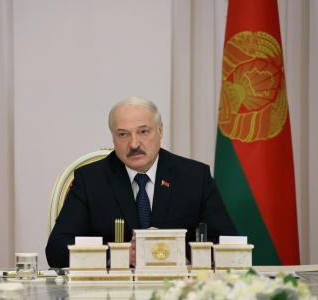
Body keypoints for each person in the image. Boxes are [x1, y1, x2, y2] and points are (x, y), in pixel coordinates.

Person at [46, 97, 237, 268]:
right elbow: (57, 251)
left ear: (160, 130)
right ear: (113, 137)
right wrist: (119, 255)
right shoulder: (90, 180)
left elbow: (229, 246)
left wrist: (170, 250)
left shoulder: (194, 177)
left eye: (143, 131)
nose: (134, 144)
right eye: (123, 134)